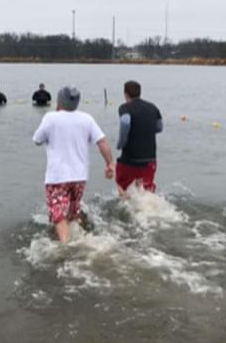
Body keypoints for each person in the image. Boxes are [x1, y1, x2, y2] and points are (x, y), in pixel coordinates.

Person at [33, 86, 115, 243]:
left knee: (59, 216)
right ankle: (79, 239)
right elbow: (102, 141)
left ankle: (67, 247)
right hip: (80, 177)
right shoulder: (87, 119)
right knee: (72, 212)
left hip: (57, 177)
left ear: (59, 101)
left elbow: (37, 139)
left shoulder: (51, 118)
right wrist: (110, 164)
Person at [116, 81, 163, 195]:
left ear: (126, 94)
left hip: (130, 159)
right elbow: (160, 127)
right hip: (150, 159)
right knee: (146, 190)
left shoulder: (125, 107)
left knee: (121, 185)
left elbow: (125, 122)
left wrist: (121, 143)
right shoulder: (153, 108)